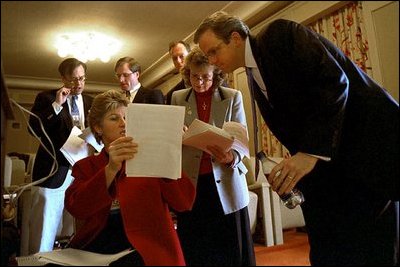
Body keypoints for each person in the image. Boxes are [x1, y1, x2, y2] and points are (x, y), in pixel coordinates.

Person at [194, 11, 399, 266]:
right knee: (330, 249)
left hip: (368, 154)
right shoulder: (251, 75)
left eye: (214, 52)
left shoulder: (279, 34)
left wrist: (310, 153)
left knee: (372, 247)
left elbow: (335, 83)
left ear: (235, 38)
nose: (212, 62)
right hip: (330, 169)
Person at [64, 90, 196, 266]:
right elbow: (77, 208)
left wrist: (169, 154)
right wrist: (110, 169)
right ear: (97, 127)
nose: (123, 123)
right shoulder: (87, 166)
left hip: (149, 247)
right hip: (100, 245)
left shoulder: (153, 158)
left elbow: (185, 203)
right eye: (114, 118)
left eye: (127, 118)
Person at [171, 47, 256, 266]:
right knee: (197, 247)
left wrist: (232, 157)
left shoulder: (232, 97)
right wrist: (175, 134)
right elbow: (171, 141)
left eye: (205, 77)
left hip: (225, 180)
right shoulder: (178, 97)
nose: (199, 83)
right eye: (194, 76)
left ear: (216, 75)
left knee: (231, 249)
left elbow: (242, 141)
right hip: (192, 183)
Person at [28, 58, 94, 254]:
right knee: (45, 225)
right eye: (73, 80)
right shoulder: (46, 98)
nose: (79, 84)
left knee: (78, 226)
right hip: (54, 170)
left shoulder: (92, 101)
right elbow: (33, 128)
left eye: (82, 79)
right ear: (63, 78)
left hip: (84, 171)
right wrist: (57, 105)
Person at [165, 40, 191, 105]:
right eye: (174, 58)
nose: (178, 61)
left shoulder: (210, 80)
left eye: (181, 56)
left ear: (190, 55)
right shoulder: (172, 95)